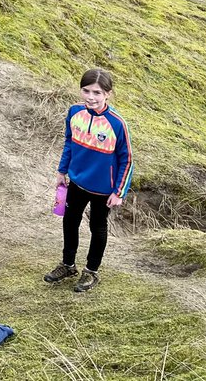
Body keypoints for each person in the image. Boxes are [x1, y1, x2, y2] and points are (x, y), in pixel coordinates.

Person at [44, 68, 133, 293]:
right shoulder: (74, 112)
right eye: (86, 91)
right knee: (70, 222)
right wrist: (61, 171)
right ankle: (68, 265)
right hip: (77, 182)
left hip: (104, 189)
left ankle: (91, 272)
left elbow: (127, 159)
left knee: (97, 227)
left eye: (97, 92)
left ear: (108, 94)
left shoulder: (117, 123)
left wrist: (119, 192)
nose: (91, 97)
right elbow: (69, 143)